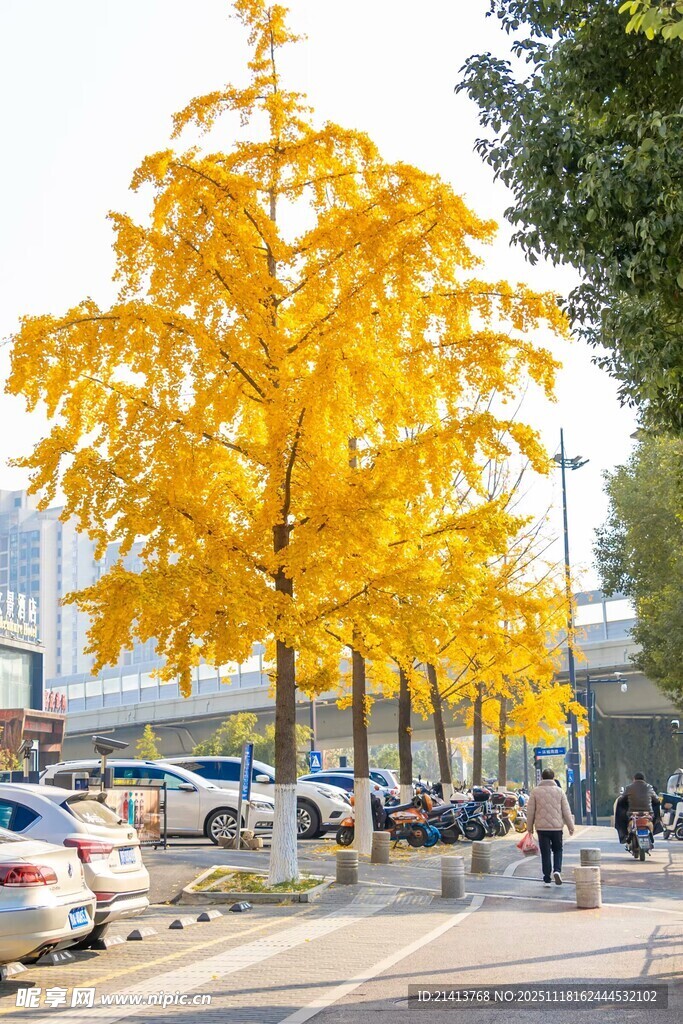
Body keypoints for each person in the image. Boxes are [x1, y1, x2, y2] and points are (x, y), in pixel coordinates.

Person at [526, 767, 575, 885]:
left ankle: (547, 876)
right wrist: (570, 826)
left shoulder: (535, 791)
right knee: (558, 849)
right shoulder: (559, 791)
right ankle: (557, 870)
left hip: (541, 828)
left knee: (545, 851)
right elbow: (566, 810)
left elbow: (530, 811)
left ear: (542, 777)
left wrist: (529, 827)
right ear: (553, 778)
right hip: (557, 827)